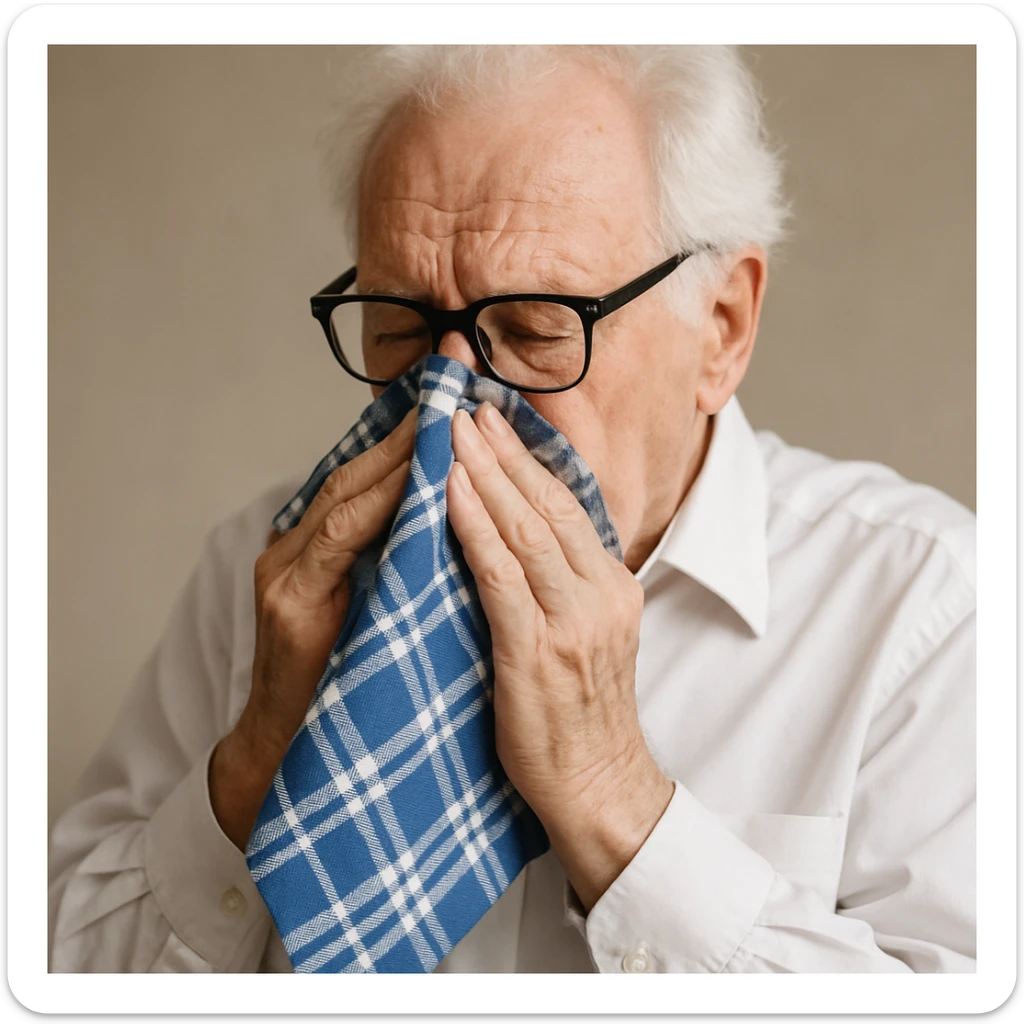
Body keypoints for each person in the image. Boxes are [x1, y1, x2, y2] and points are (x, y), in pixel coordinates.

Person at [48, 44, 976, 974]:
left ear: (722, 328)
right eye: (401, 325)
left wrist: (614, 798)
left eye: (534, 330)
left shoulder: (930, 614)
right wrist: (255, 761)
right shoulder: (265, 578)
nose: (449, 391)